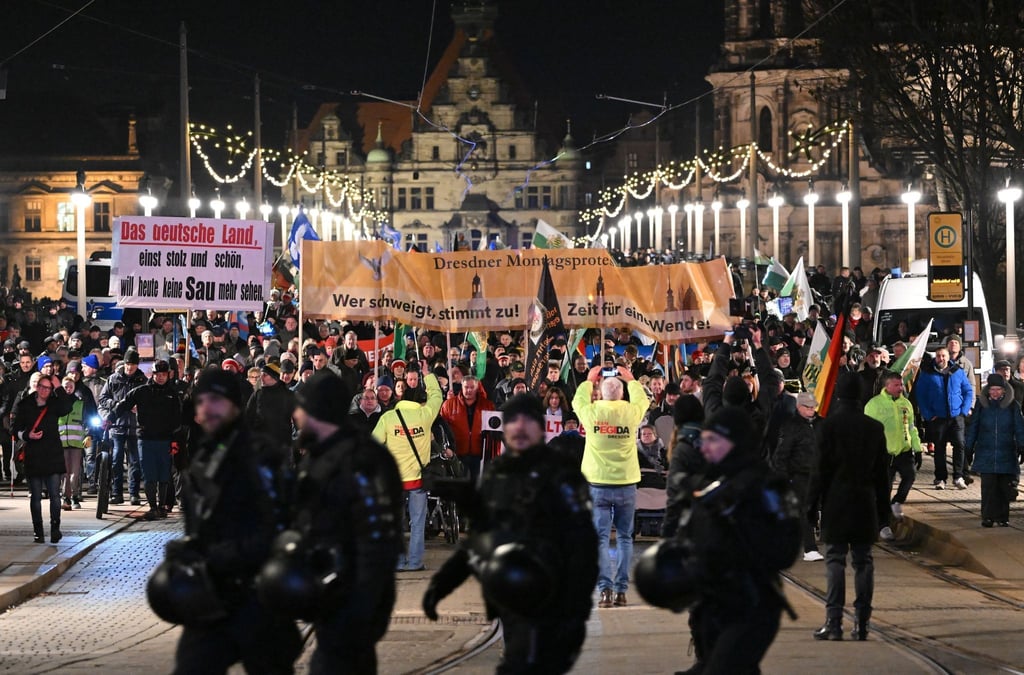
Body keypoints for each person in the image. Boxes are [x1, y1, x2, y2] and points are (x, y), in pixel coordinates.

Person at [422, 394, 598, 674]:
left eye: (527, 422)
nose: (519, 428)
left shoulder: (561, 474)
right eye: (512, 422)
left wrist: (577, 602)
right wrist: (442, 585)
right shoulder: (497, 473)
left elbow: (582, 541)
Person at [161, 368, 301, 674]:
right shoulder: (203, 458)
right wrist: (187, 552)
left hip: (258, 600)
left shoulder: (259, 455)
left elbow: (277, 528)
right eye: (201, 401)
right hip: (213, 600)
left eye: (216, 400)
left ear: (234, 405)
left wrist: (226, 554)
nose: (207, 408)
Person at [658, 407, 801, 674]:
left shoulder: (765, 487)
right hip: (711, 609)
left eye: (713, 440)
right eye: (704, 440)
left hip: (750, 607)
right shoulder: (712, 484)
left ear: (734, 441)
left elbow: (785, 549)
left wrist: (739, 531)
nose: (704, 448)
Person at [289, 370, 404, 673]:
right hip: (328, 597)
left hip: (352, 600)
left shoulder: (362, 459)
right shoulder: (320, 456)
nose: (296, 415)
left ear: (317, 410)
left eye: (301, 407)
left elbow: (377, 543)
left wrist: (359, 608)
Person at [807, 373, 890, 641]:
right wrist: (884, 512)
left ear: (839, 394)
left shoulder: (828, 427)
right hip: (865, 502)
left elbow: (818, 471)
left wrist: (811, 507)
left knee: (835, 560)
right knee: (864, 561)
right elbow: (882, 476)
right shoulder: (874, 428)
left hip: (836, 501)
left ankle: (833, 623)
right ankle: (862, 623)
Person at [571, 364, 649, 608]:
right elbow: (643, 400)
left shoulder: (591, 412)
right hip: (626, 483)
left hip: (598, 483)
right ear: (622, 394)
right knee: (625, 538)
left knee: (600, 539)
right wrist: (631, 379)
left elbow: (577, 400)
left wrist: (588, 379)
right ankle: (621, 591)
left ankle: (604, 590)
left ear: (601, 394)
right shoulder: (630, 412)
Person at [372, 366, 443, 572]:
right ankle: (414, 562)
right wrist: (428, 375)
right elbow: (437, 396)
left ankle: (398, 562)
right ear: (419, 402)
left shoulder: (388, 418)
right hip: (417, 480)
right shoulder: (425, 414)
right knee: (417, 523)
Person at [112, 359, 184, 520]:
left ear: (168, 375)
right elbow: (124, 404)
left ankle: (161, 506)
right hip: (145, 439)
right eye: (158, 374)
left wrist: (175, 440)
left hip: (165, 439)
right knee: (149, 474)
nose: (161, 377)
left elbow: (177, 419)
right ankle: (153, 507)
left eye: (163, 374)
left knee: (164, 475)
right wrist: (110, 418)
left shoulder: (173, 394)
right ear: (153, 374)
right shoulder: (142, 391)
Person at [14, 372, 74, 543]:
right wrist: (27, 435)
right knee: (36, 496)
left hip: (52, 454)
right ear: (37, 386)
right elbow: (15, 427)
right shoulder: (25, 404)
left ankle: (55, 528)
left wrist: (59, 387)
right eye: (42, 387)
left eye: (49, 388)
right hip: (34, 454)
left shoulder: (55, 403)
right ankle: (38, 531)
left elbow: (68, 407)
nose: (45, 391)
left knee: (55, 494)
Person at [864, 371, 922, 539]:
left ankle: (897, 501)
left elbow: (912, 427)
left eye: (901, 384)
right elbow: (867, 432)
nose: (900, 388)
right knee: (883, 491)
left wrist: (917, 448)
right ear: (887, 386)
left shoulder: (906, 404)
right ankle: (882, 525)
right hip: (884, 455)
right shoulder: (874, 405)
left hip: (904, 451)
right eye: (896, 385)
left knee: (910, 476)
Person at [964, 373, 1024, 527]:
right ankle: (988, 517)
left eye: (998, 389)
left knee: (1004, 487)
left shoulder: (1013, 406)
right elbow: (973, 427)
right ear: (988, 390)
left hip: (1006, 452)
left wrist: (1022, 446)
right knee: (988, 488)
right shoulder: (982, 405)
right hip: (986, 452)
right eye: (992, 389)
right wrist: (968, 448)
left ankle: (1003, 517)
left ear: (1004, 390)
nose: (995, 392)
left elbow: (1019, 428)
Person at [774, 391, 825, 562]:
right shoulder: (791, 426)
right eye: (807, 407)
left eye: (813, 407)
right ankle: (810, 548)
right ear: (798, 407)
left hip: (819, 475)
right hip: (800, 475)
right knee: (805, 510)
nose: (811, 410)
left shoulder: (821, 424)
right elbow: (782, 455)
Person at [916, 347, 973, 490]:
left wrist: (964, 410)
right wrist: (928, 414)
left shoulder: (957, 371)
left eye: (943, 356)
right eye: (938, 356)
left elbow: (968, 390)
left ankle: (958, 476)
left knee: (960, 445)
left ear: (948, 357)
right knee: (939, 448)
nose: (941, 358)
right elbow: (921, 395)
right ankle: (940, 478)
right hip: (938, 417)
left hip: (956, 416)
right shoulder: (927, 374)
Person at [97, 348, 148, 504]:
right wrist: (116, 404)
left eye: (132, 364)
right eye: (127, 364)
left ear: (137, 365)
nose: (129, 367)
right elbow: (103, 399)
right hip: (117, 426)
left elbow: (149, 402)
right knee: (116, 460)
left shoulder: (143, 381)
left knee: (135, 461)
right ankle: (116, 493)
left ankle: (134, 493)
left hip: (134, 427)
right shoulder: (113, 379)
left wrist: (140, 407)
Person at [439, 375, 495, 482]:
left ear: (477, 387)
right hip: (457, 453)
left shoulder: (487, 406)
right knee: (459, 484)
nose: (469, 390)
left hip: (480, 453)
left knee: (478, 484)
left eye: (472, 387)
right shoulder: (448, 405)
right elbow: (442, 429)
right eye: (466, 387)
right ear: (462, 387)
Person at [244, 362, 297, 449]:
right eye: (261, 375)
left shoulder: (288, 395)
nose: (261, 378)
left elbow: (298, 419)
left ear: (274, 377)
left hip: (282, 444)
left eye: (265, 375)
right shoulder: (257, 394)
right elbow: (248, 416)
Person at [57, 375, 88, 510]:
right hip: (61, 443)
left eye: (71, 387)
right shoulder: (57, 404)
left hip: (76, 443)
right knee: (64, 472)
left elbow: (87, 420)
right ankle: (66, 497)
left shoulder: (80, 403)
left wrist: (88, 434)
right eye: (66, 387)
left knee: (74, 473)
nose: (68, 389)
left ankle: (75, 496)